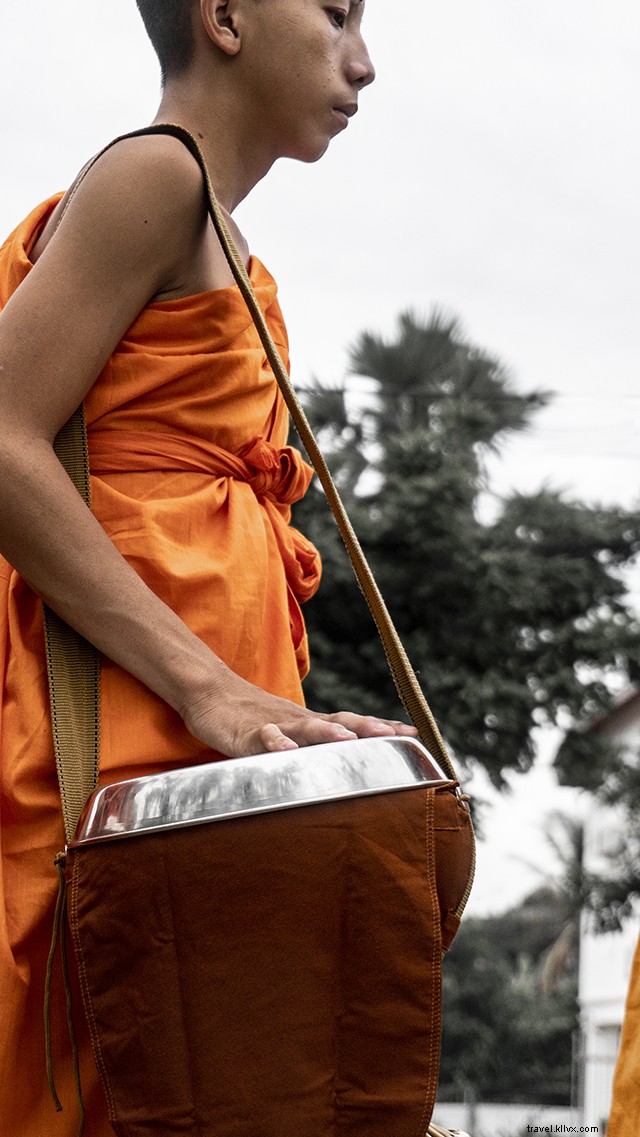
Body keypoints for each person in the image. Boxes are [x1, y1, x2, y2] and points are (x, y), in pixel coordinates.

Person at [0, 1, 424, 1133]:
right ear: (225, 16)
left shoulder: (229, 245)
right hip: (120, 737)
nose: (363, 61)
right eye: (334, 13)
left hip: (193, 743)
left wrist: (285, 725)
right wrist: (213, 693)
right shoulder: (157, 176)